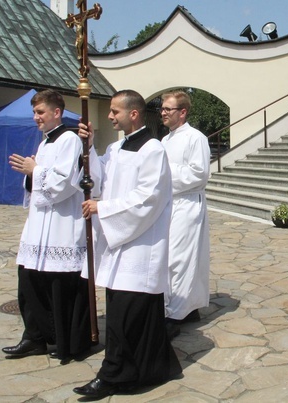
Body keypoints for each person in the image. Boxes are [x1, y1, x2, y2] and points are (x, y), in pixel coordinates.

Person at [74, 90, 182, 398]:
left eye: (114, 111)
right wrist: (89, 145)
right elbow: (96, 177)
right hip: (118, 241)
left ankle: (113, 376)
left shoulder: (153, 150)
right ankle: (152, 368)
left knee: (129, 316)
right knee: (129, 314)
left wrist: (102, 209)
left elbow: (148, 199)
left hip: (141, 244)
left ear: (133, 113)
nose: (109, 116)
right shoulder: (117, 147)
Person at [3, 90, 91, 362]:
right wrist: (32, 173)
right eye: (34, 113)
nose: (36, 118)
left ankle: (63, 341)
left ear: (57, 112)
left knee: (57, 285)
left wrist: (35, 171)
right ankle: (34, 337)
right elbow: (37, 185)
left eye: (40, 112)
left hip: (61, 225)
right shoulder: (45, 143)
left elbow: (65, 184)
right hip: (39, 225)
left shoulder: (70, 140)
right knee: (29, 281)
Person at [160, 90, 211, 334]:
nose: (163, 112)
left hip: (187, 203)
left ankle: (176, 313)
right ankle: (188, 308)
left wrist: (165, 174)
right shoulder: (164, 140)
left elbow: (199, 173)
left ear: (182, 112)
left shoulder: (195, 137)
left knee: (180, 258)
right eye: (162, 108)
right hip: (170, 204)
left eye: (168, 109)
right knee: (170, 258)